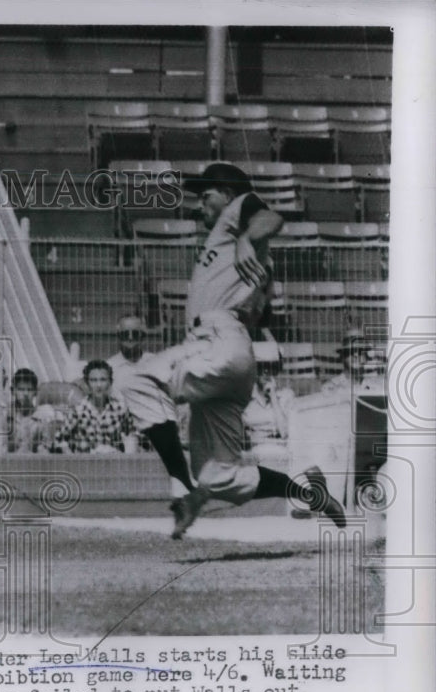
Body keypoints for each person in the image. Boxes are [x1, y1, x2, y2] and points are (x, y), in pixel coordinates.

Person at [120, 162, 346, 538]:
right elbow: (260, 309)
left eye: (204, 195)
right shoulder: (237, 248)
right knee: (219, 477)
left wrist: (244, 239)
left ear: (226, 193)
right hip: (229, 358)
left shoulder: (237, 210)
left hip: (217, 342)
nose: (198, 206)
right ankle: (310, 492)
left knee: (136, 382)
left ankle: (184, 489)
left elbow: (272, 217)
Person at [107, 315, 195, 491]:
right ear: (118, 336)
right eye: (125, 334)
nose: (130, 338)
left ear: (143, 335)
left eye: (135, 333)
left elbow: (172, 392)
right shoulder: (110, 366)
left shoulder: (156, 361)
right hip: (126, 426)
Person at [52, 360, 135, 454]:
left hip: (113, 463)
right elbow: (60, 440)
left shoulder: (120, 409)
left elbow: (131, 436)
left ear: (110, 382)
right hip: (85, 465)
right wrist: (72, 459)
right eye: (93, 380)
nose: (98, 385)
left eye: (103, 380)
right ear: (87, 383)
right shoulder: (77, 410)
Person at [242, 345, 295, 464]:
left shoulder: (286, 395)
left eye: (272, 368)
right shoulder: (246, 398)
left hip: (281, 451)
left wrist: (273, 398)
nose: (267, 372)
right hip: (254, 454)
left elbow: (285, 433)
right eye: (262, 367)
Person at [322, 328, 384, 395]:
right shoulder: (331, 388)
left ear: (366, 358)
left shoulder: (376, 387)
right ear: (342, 357)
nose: (356, 355)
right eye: (350, 351)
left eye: (360, 351)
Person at [7, 368, 52, 453]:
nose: (26, 394)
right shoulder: (6, 416)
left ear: (35, 392)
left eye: (29, 389)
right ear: (13, 391)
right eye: (21, 389)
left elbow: (46, 450)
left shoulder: (42, 419)